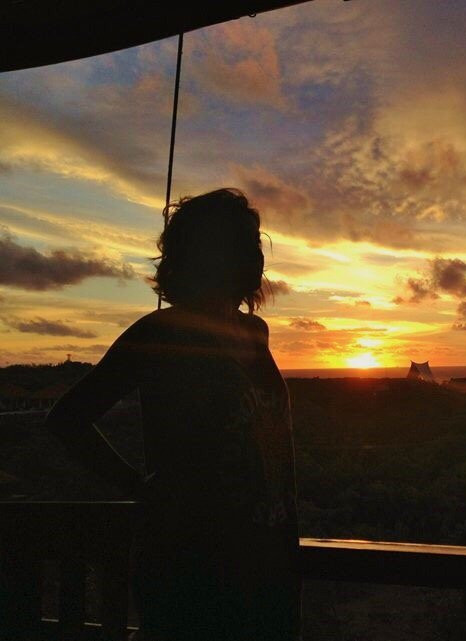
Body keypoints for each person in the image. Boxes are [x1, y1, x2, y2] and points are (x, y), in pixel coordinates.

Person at [45, 188, 300, 641]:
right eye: (241, 241)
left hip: (267, 557)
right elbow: (68, 418)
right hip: (190, 562)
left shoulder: (255, 332)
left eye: (254, 241)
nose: (256, 253)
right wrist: (138, 486)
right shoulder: (160, 333)